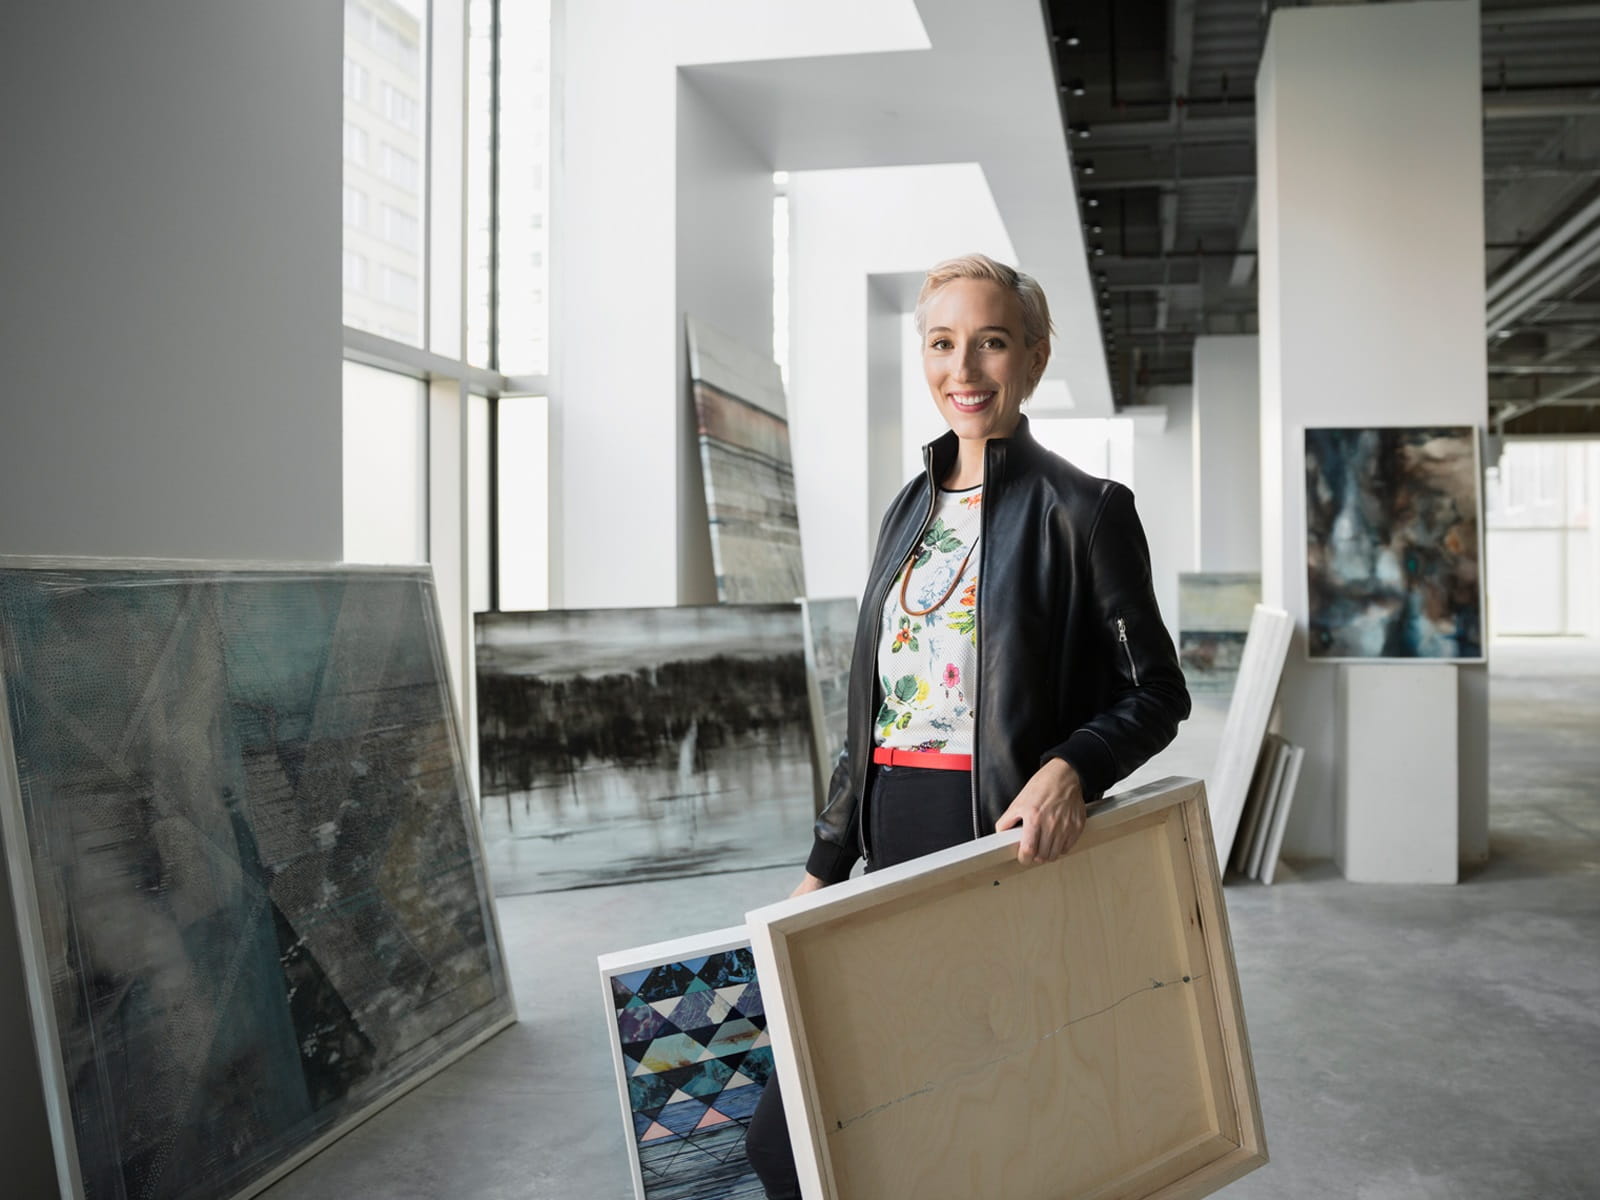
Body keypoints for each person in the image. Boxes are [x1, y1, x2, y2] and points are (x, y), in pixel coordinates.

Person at [743, 253, 1191, 1198]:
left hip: (994, 849)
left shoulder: (1087, 511)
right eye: (943, 344)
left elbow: (1157, 692)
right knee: (792, 1144)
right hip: (890, 843)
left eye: (990, 342)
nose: (965, 369)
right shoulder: (908, 509)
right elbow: (874, 711)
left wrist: (1073, 767)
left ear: (1033, 356)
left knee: (968, 1133)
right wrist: (822, 867)